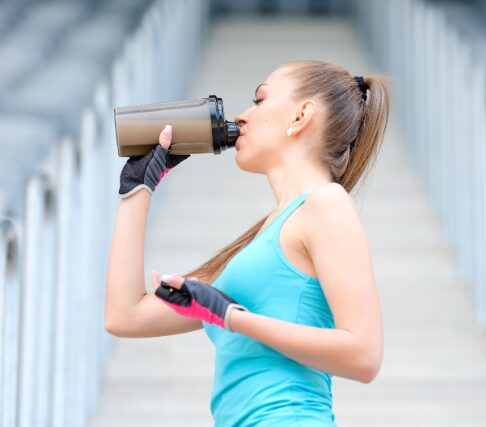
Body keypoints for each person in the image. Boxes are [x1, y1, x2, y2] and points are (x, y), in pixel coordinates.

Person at [105, 59, 391, 426]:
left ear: (301, 115)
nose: (241, 117)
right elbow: (124, 316)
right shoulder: (258, 243)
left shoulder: (326, 203)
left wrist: (232, 317)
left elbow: (364, 355)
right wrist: (138, 188)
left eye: (259, 101)